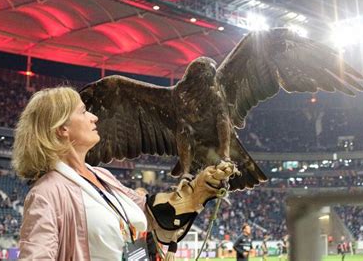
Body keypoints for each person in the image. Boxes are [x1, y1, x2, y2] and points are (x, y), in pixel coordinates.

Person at [12, 87, 236, 260]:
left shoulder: (102, 176)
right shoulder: (47, 193)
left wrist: (195, 193)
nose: (94, 117)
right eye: (83, 111)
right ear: (62, 128)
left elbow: (149, 214)